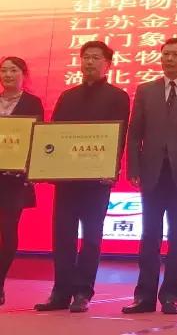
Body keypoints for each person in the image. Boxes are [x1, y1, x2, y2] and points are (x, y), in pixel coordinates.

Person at [34, 41, 130, 313]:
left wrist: (111, 168)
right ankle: (60, 292)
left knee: (91, 237)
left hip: (97, 180)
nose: (89, 62)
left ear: (107, 64)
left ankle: (83, 292)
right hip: (67, 178)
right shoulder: (68, 96)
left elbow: (119, 136)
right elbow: (54, 136)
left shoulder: (118, 97)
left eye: (96, 58)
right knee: (62, 234)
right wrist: (46, 166)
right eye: (85, 57)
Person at [123, 38, 177, 315]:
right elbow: (134, 133)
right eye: (165, 54)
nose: (169, 59)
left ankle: (171, 296)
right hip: (151, 173)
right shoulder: (146, 90)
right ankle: (144, 296)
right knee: (149, 234)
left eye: (175, 55)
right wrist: (133, 168)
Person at [0, 57, 44, 306]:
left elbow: (38, 138)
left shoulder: (32, 103)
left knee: (8, 230)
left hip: (15, 180)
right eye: (3, 70)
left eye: (13, 70)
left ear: (23, 74)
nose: (7, 75)